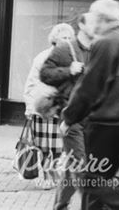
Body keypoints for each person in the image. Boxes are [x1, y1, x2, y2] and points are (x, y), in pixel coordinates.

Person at [61, 0, 119, 210]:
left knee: (89, 180)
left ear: (101, 19)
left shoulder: (105, 43)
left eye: (92, 17)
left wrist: (69, 118)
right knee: (102, 180)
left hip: (106, 125)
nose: (90, 21)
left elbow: (89, 87)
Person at [41, 14, 95, 210]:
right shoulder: (65, 49)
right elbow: (44, 74)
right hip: (72, 118)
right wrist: (68, 70)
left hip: (95, 118)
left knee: (77, 166)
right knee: (83, 167)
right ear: (81, 25)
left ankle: (61, 204)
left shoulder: (100, 49)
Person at [24, 23, 75, 187]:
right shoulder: (42, 57)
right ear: (54, 39)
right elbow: (31, 83)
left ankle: (55, 176)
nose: (67, 41)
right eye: (63, 37)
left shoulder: (72, 59)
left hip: (62, 108)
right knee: (45, 147)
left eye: (69, 38)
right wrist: (29, 107)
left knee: (59, 147)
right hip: (44, 108)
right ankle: (47, 177)